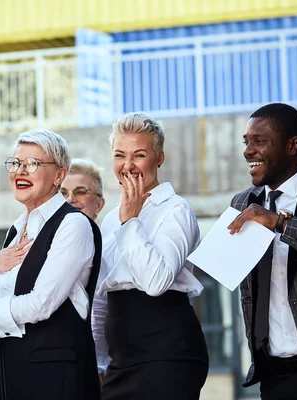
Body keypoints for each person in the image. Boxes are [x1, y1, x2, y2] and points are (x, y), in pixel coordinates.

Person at [0, 129, 102, 400]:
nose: (20, 171)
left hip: (54, 379)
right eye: (15, 163)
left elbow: (41, 303)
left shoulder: (73, 225)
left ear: (59, 175)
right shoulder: (18, 229)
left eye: (33, 164)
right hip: (9, 370)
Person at [228, 103, 297, 400]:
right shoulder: (242, 204)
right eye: (246, 142)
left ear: (293, 145)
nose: (248, 151)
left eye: (260, 141)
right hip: (273, 374)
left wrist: (281, 223)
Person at [93, 112, 209, 400]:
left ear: (159, 158)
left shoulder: (176, 211)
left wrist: (131, 223)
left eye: (139, 155)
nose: (128, 165)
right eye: (120, 155)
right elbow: (100, 297)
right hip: (121, 355)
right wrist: (96, 361)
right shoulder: (111, 219)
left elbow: (157, 282)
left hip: (168, 350)